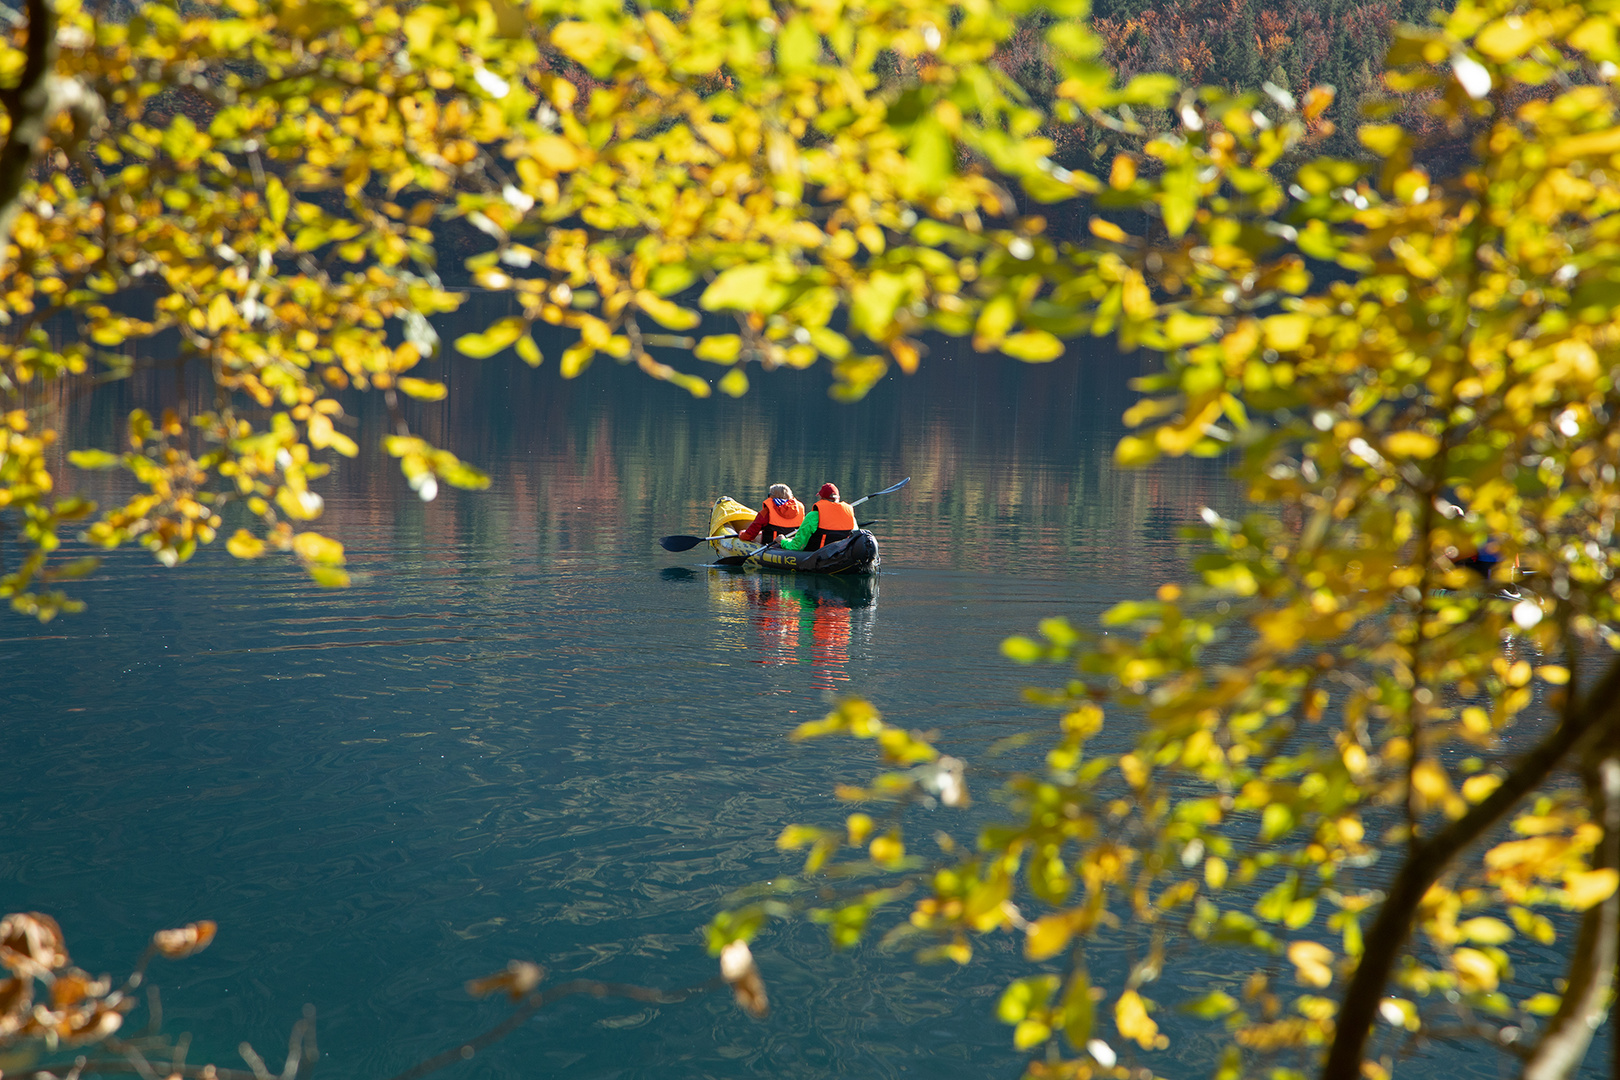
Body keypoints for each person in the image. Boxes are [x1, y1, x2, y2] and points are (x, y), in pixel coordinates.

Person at [780, 483, 857, 550]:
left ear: (821, 497)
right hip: (842, 554)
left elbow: (796, 546)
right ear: (838, 498)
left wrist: (782, 541)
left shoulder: (813, 516)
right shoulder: (850, 516)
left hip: (818, 556)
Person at [738, 484, 806, 543]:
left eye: (769, 495)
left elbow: (753, 529)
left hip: (771, 543)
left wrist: (742, 535)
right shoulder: (799, 509)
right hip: (791, 543)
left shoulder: (767, 511)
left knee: (751, 536)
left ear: (772, 496)